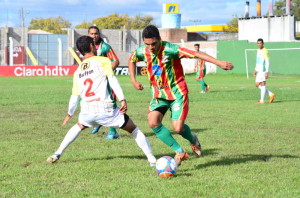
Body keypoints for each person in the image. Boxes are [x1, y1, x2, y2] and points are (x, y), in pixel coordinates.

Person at [128, 25, 234, 166]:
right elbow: (131, 60)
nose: (151, 47)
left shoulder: (171, 49)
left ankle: (193, 140)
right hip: (158, 94)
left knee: (178, 128)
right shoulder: (142, 51)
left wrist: (218, 62)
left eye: (154, 44)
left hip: (177, 92)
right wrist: (133, 80)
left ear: (159, 39)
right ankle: (179, 151)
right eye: (147, 44)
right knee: (153, 123)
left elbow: (195, 54)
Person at [47, 35, 156, 166]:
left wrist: (70, 113)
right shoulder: (103, 61)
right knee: (134, 129)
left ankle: (57, 153)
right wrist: (122, 99)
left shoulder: (78, 70)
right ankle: (152, 159)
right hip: (106, 108)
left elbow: (74, 96)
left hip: (87, 110)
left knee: (79, 125)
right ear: (92, 46)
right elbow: (112, 80)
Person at [87, 26, 120, 139]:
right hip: (93, 81)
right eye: (91, 34)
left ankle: (113, 132)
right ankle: (98, 123)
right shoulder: (87, 47)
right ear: (88, 35)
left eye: (96, 33)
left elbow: (116, 60)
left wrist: (106, 72)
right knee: (92, 102)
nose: (94, 36)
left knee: (108, 103)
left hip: (104, 81)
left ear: (99, 34)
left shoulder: (104, 47)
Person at [253, 38, 276, 104]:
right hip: (258, 70)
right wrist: (255, 70)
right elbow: (258, 61)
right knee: (257, 84)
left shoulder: (264, 51)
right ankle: (270, 94)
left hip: (263, 70)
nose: (259, 44)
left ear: (263, 43)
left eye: (260, 43)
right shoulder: (258, 50)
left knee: (263, 84)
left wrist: (266, 71)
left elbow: (267, 61)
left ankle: (262, 100)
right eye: (258, 43)